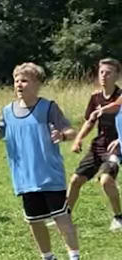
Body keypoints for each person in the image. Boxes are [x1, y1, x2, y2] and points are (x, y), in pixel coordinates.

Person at [0, 62, 80, 260]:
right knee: (34, 221)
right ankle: (48, 256)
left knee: (61, 217)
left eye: (24, 80)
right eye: (16, 81)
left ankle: (74, 256)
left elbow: (70, 130)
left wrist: (62, 136)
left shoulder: (48, 107)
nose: (19, 85)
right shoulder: (8, 111)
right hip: (25, 178)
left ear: (37, 84)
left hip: (50, 175)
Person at [67, 58, 122, 232]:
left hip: (116, 148)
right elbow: (90, 121)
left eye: (108, 72)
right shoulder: (95, 97)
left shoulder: (120, 97)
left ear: (117, 76)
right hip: (98, 146)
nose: (104, 76)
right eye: (101, 72)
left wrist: (120, 140)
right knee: (75, 180)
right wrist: (78, 139)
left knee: (106, 180)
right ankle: (65, 216)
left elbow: (115, 107)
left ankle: (118, 217)